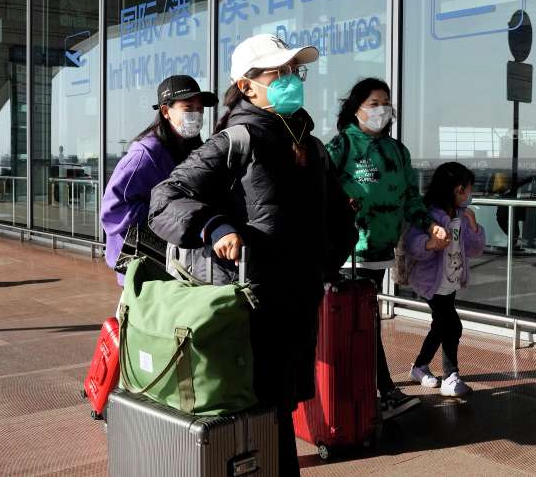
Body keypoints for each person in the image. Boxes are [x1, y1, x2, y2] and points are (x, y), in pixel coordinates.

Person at [148, 34, 351, 476]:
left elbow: (337, 222)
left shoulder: (311, 146)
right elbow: (164, 199)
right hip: (250, 312)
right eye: (277, 72)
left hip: (297, 305)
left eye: (295, 71)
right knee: (253, 418)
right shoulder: (236, 139)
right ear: (246, 86)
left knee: (278, 412)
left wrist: (323, 261)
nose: (291, 79)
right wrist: (213, 226)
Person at [326, 77, 449, 419]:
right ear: (356, 108)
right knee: (363, 321)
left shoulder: (397, 151)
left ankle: (370, 390)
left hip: (381, 252)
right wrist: (340, 205)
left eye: (386, 103)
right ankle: (381, 391)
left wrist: (429, 224)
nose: (382, 110)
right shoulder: (342, 147)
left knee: (366, 321)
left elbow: (410, 199)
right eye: (374, 103)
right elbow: (318, 189)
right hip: (349, 250)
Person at [100, 75, 217, 284]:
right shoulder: (144, 156)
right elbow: (113, 210)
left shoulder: (196, 150)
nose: (196, 115)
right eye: (188, 107)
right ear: (165, 111)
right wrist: (164, 216)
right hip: (144, 266)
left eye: (200, 109)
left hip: (179, 263)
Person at [403, 162, 486, 397]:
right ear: (457, 190)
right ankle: (451, 376)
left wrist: (474, 227)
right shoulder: (430, 215)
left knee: (441, 325)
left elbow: (474, 249)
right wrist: (430, 243)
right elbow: (412, 245)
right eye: (468, 189)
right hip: (432, 282)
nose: (470, 194)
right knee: (451, 325)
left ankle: (419, 367)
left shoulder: (461, 216)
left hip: (451, 280)